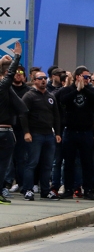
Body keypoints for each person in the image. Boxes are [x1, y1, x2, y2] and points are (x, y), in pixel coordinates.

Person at [56, 65, 94, 200]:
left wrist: (84, 90)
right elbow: (61, 100)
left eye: (89, 77)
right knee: (69, 162)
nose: (88, 79)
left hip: (86, 132)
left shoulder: (92, 91)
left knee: (87, 162)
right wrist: (76, 90)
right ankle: (68, 189)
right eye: (85, 77)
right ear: (77, 77)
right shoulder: (68, 90)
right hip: (70, 131)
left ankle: (88, 189)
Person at [20, 69, 62, 201]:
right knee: (32, 163)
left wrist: (58, 133)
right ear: (34, 81)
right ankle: (28, 190)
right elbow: (23, 115)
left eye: (45, 78)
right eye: (40, 78)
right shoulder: (29, 96)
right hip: (35, 134)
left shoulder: (50, 96)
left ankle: (45, 191)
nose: (43, 80)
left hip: (49, 134)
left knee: (47, 164)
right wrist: (26, 132)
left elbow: (56, 116)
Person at [0, 42, 24, 204]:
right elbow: (9, 76)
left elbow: (7, 75)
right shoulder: (3, 87)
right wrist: (17, 56)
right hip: (5, 131)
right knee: (3, 165)